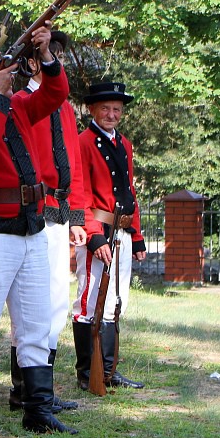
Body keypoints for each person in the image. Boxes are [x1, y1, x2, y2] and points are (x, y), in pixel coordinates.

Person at [0, 26, 74, 436]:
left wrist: (46, 54)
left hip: (30, 227)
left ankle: (37, 407)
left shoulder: (17, 108)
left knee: (36, 323)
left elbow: (56, 95)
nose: (6, 75)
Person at [7, 31, 91, 414]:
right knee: (32, 303)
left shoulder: (65, 107)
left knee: (57, 300)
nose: (51, 59)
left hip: (60, 211)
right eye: (45, 54)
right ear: (29, 61)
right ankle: (23, 386)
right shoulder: (20, 103)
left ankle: (40, 386)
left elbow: (73, 163)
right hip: (34, 210)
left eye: (56, 53)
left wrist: (77, 215)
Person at [72, 80, 147, 392]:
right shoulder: (83, 142)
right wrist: (93, 236)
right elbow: (80, 192)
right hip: (98, 230)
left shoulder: (124, 144)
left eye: (117, 109)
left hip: (122, 229)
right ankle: (88, 373)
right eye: (105, 108)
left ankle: (109, 369)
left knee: (117, 301)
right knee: (90, 301)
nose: (112, 114)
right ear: (92, 109)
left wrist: (138, 235)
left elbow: (129, 192)